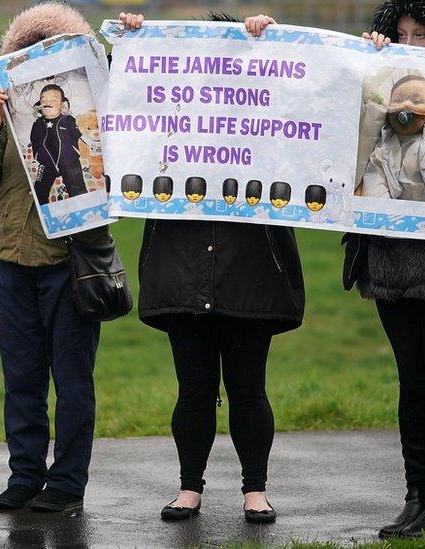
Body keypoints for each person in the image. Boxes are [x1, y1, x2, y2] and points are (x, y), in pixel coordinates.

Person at [246, 0, 425, 538]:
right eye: (402, 33)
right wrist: (271, 38)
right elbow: (307, 91)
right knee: (410, 381)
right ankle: (416, 496)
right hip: (389, 259)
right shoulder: (370, 85)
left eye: (422, 35)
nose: (410, 43)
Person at [118, 10, 305, 526]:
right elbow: (122, 102)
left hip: (252, 272)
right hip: (182, 269)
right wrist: (137, 41)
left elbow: (312, 108)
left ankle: (255, 492)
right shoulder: (166, 108)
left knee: (249, 388)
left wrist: (275, 39)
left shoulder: (270, 109)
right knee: (193, 390)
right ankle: (188, 489)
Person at [0, 1, 112, 513]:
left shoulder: (95, 109)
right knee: (21, 381)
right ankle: (24, 476)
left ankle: (67, 483)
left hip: (71, 268)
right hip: (11, 265)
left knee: (72, 383)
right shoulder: (7, 108)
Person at [361, 74, 425, 205]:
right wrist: (384, 211)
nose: (405, 105)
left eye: (416, 101)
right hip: (397, 215)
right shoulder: (382, 147)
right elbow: (375, 182)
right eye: (397, 100)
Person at [29, 84, 89, 201]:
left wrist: (80, 151)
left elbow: (79, 137)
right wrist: (38, 155)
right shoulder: (38, 124)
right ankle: (44, 215)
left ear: (62, 104)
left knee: (78, 190)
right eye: (44, 100)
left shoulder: (68, 120)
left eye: (53, 100)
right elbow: (34, 140)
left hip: (69, 161)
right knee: (39, 193)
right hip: (46, 163)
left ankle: (85, 211)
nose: (48, 103)